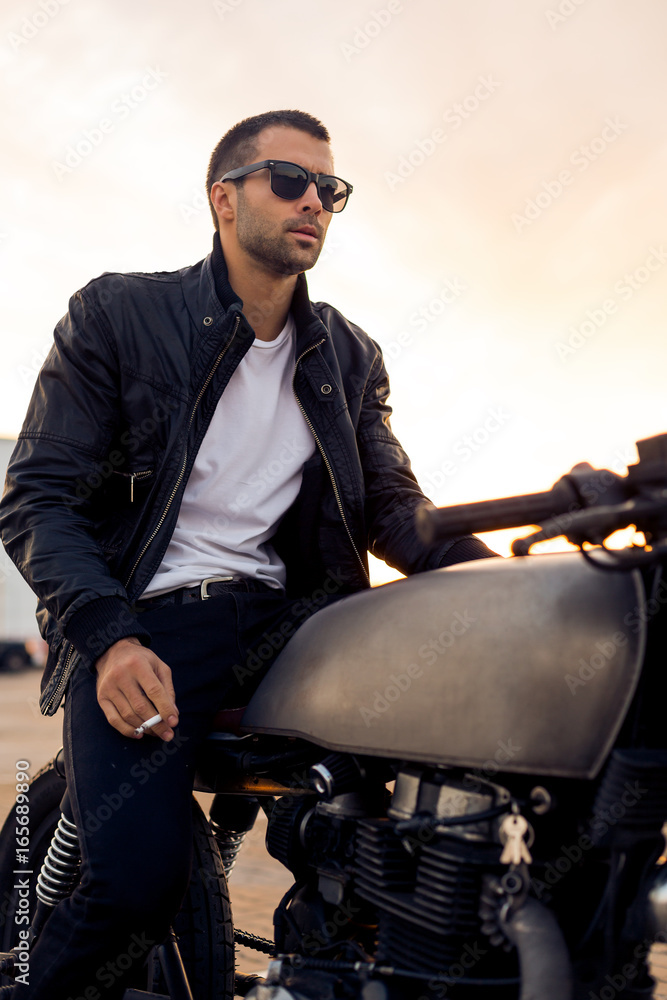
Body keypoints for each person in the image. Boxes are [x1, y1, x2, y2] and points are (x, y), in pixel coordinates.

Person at [0, 109, 496, 998]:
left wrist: (514, 586)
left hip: (294, 627)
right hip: (147, 623)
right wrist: (108, 636)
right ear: (224, 199)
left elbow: (395, 510)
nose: (317, 203)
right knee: (134, 888)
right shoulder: (118, 314)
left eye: (332, 191)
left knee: (424, 832)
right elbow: (38, 497)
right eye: (291, 180)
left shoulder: (344, 352)